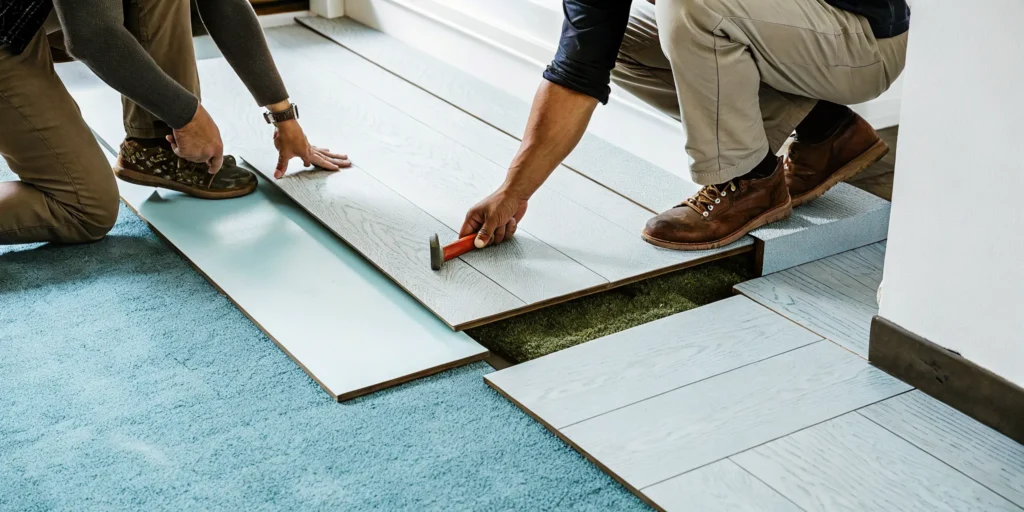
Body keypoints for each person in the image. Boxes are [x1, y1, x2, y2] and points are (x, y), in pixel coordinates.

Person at [460, 0, 908, 250]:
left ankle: (748, 182)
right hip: (791, 34)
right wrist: (512, 191)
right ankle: (827, 131)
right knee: (620, 41)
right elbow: (578, 70)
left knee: (693, 6)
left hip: (862, 40)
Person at [0, 0, 350, 245]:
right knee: (84, 209)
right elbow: (92, 35)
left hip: (21, 15)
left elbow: (223, 4)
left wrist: (284, 118)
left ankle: (155, 149)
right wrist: (187, 114)